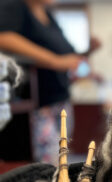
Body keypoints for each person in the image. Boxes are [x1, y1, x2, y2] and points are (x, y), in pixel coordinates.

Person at [0, 0, 100, 164]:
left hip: (59, 101)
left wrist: (88, 51)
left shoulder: (49, 16)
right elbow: (4, 36)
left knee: (59, 159)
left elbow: (66, 56)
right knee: (46, 165)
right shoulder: (14, 7)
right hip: (37, 106)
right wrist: (55, 61)